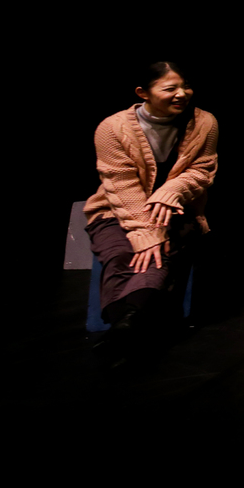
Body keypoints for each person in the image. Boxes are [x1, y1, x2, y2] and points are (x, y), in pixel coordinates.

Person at [85, 61, 219, 366]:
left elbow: (203, 170)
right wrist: (146, 231)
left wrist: (170, 191)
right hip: (115, 211)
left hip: (180, 212)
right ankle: (131, 323)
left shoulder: (204, 122)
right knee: (122, 254)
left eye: (185, 86)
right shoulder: (112, 128)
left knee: (159, 254)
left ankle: (125, 327)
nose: (181, 94)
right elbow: (121, 183)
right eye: (170, 88)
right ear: (142, 93)